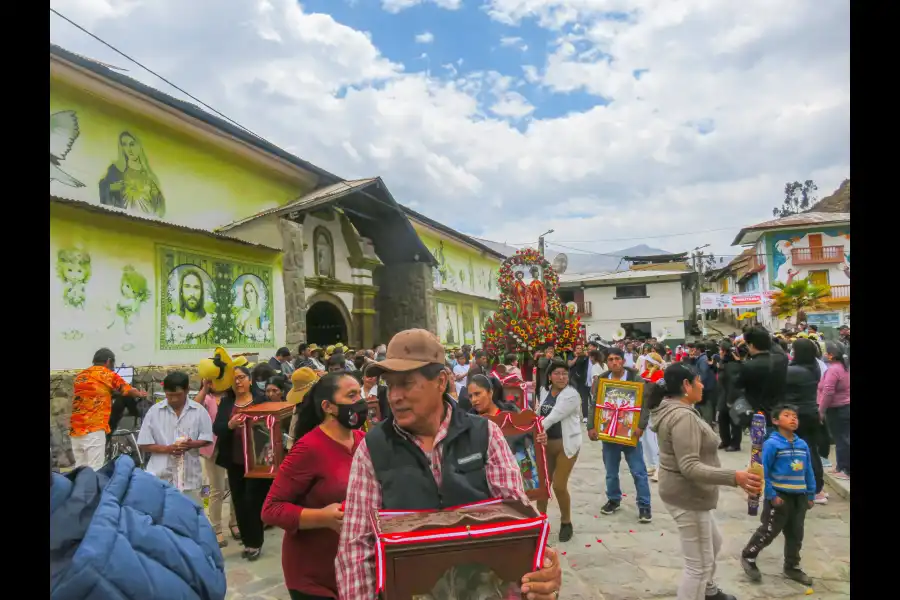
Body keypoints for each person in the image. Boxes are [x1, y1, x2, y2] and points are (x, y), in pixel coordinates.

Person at [336, 329, 562, 600]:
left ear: (441, 381)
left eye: (406, 383)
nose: (394, 396)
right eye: (390, 385)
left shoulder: (485, 435)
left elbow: (518, 519)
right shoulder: (373, 449)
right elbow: (356, 548)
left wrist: (543, 570)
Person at [649, 363, 762, 600]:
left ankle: (709, 592)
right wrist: (735, 477)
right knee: (698, 566)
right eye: (698, 380)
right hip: (687, 495)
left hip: (684, 492)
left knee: (714, 542)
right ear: (686, 385)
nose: (703, 384)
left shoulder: (677, 410)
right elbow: (689, 466)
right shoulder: (682, 417)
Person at [51, 455, 226, 600]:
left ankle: (216, 521)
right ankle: (217, 524)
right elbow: (146, 442)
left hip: (193, 472)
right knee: (211, 496)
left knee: (208, 492)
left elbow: (207, 439)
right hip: (169, 473)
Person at [262, 372, 368, 600]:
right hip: (313, 579)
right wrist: (322, 517)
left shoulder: (363, 441)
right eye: (351, 395)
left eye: (360, 393)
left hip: (352, 571)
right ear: (328, 406)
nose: (360, 401)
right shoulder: (308, 448)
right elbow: (271, 509)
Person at [741, 404, 816, 586]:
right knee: (768, 531)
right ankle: (748, 556)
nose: (793, 419)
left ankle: (792, 566)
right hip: (779, 497)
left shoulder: (802, 444)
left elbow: (809, 470)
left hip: (800, 497)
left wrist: (811, 493)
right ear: (775, 421)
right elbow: (763, 472)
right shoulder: (772, 444)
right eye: (787, 415)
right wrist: (771, 494)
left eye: (795, 416)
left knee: (795, 534)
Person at [588, 347, 653, 523]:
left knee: (638, 471)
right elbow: (594, 403)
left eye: (617, 358)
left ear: (623, 361)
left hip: (630, 433)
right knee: (611, 471)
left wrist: (641, 426)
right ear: (607, 362)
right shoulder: (602, 380)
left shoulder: (636, 379)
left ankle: (645, 506)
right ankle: (614, 499)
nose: (614, 362)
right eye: (610, 359)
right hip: (609, 432)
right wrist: (591, 425)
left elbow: (644, 405)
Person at [212, 365, 268, 561]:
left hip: (257, 460)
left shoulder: (261, 400)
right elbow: (217, 428)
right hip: (235, 460)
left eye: (242, 377)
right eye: (234, 378)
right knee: (239, 500)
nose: (238, 381)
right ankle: (247, 540)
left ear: (250, 380)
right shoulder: (227, 403)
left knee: (253, 500)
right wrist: (230, 424)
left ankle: (256, 542)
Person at [137, 371, 213, 501]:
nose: (173, 399)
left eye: (178, 395)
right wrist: (167, 449)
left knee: (189, 516)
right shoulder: (154, 412)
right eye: (169, 395)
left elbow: (207, 439)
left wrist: (191, 444)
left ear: (187, 390)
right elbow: (144, 444)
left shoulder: (199, 411)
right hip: (160, 476)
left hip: (189, 478)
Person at [70, 348, 148, 469]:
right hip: (94, 429)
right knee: (95, 470)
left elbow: (93, 392)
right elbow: (128, 390)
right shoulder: (107, 375)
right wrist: (139, 394)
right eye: (113, 364)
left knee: (80, 470)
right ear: (109, 361)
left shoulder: (81, 376)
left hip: (76, 429)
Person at [536, 360, 583, 542]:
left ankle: (566, 522)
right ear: (549, 376)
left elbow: (553, 417)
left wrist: (533, 428)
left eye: (565, 373)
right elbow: (540, 413)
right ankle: (540, 522)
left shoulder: (571, 395)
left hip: (566, 445)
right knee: (543, 487)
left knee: (559, 485)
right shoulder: (545, 392)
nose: (562, 377)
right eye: (557, 373)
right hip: (546, 445)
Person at [784, 339, 827, 504]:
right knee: (811, 450)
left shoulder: (795, 371)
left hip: (799, 414)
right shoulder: (814, 367)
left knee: (805, 450)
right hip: (811, 412)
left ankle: (815, 489)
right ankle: (818, 487)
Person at [740, 327, 789, 428]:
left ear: (751, 345)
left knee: (760, 442)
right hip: (779, 411)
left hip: (758, 416)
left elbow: (740, 389)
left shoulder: (748, 366)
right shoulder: (782, 359)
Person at [818, 342, 850, 479]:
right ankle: (840, 466)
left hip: (836, 409)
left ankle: (845, 469)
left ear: (832, 355)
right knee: (843, 438)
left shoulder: (833, 370)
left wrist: (821, 410)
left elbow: (828, 392)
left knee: (841, 439)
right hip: (845, 406)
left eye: (827, 352)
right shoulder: (844, 367)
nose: (825, 354)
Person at [640, 352, 664, 482]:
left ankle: (659, 467)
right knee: (644, 439)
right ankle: (651, 464)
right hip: (643, 410)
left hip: (654, 410)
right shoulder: (644, 375)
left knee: (653, 439)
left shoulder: (660, 375)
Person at [716, 340, 744, 453]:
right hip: (723, 394)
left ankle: (735, 443)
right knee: (722, 419)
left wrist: (731, 400)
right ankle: (725, 440)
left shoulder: (733, 366)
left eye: (720, 350)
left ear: (723, 351)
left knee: (734, 420)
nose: (719, 352)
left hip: (733, 396)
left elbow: (733, 384)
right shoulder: (723, 363)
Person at [691, 343, 717, 426]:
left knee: (705, 407)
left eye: (694, 349)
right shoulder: (701, 358)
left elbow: (704, 373)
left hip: (704, 388)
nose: (693, 351)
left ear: (699, 350)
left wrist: (698, 385)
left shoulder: (703, 359)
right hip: (704, 387)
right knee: (699, 406)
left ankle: (707, 425)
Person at [567, 343, 592, 423]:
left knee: (584, 398)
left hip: (582, 380)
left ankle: (585, 416)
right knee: (573, 397)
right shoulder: (571, 355)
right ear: (575, 350)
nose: (579, 350)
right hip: (573, 379)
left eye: (580, 348)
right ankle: (573, 415)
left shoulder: (585, 357)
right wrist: (577, 357)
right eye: (578, 348)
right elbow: (569, 364)